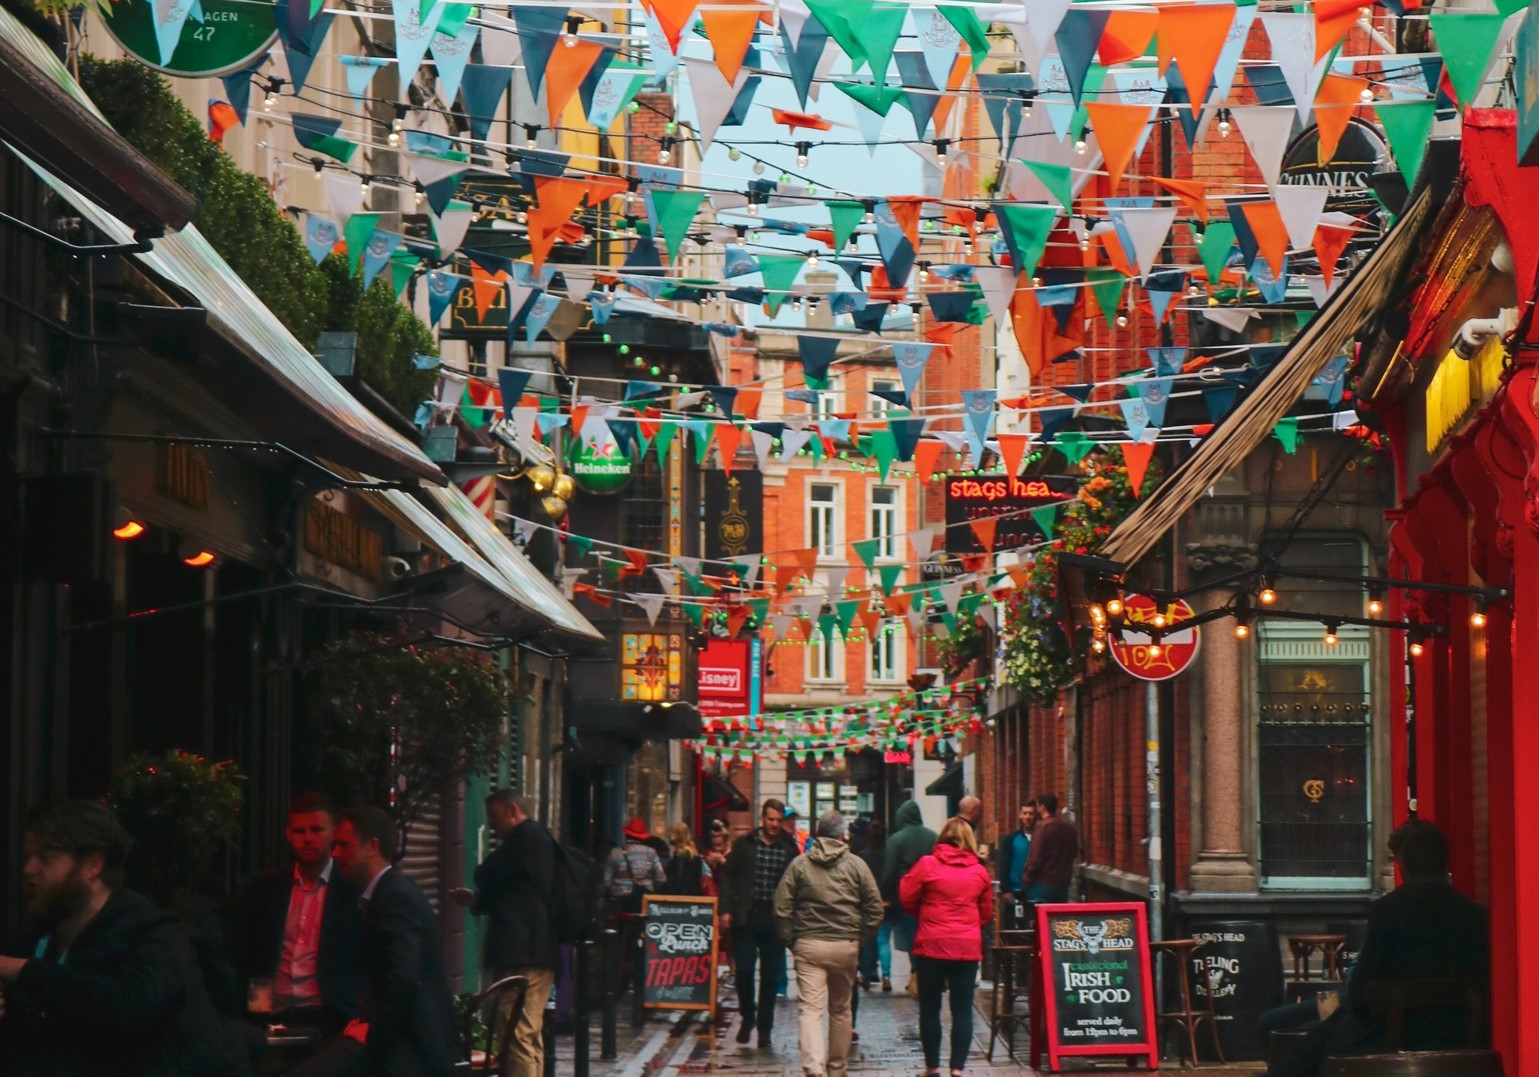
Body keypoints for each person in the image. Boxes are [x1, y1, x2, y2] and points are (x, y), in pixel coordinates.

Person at [0, 800, 251, 1077]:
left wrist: (22, 970)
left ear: (93, 865)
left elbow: (130, 1005)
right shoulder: (36, 938)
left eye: (45, 858)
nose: (29, 869)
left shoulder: (155, 932)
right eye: (28, 857)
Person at [1267, 819, 1489, 1077]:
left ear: (1403, 865)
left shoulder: (1390, 909)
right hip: (1459, 1035)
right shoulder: (1475, 914)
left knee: (1309, 1051)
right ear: (1445, 860)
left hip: (1390, 1036)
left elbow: (1360, 991)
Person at [293, 807, 458, 1077]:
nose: (335, 854)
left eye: (343, 845)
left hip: (409, 1050)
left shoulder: (393, 896)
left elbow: (404, 978)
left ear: (372, 847)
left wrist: (373, 1033)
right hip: (398, 1041)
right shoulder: (385, 893)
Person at [449, 790, 556, 1077]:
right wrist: (476, 900)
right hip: (537, 951)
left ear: (513, 810)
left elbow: (485, 873)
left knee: (515, 1031)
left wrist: (480, 891)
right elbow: (517, 893)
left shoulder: (524, 838)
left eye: (495, 815)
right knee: (528, 1033)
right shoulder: (538, 840)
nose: (492, 824)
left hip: (523, 954)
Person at [240, 792, 364, 1037]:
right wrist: (255, 1017)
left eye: (317, 830)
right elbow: (253, 958)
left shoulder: (353, 890)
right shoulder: (266, 889)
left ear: (333, 833)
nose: (308, 839)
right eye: (300, 831)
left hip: (331, 1019)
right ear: (289, 834)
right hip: (272, 1016)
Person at [773, 811, 884, 1077]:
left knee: (810, 1009)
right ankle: (837, 1067)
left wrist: (791, 941)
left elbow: (781, 907)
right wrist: (860, 939)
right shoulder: (857, 866)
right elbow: (875, 909)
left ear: (817, 834)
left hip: (809, 944)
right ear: (843, 835)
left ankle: (814, 1067)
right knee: (841, 1008)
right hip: (845, 945)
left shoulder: (800, 865)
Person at [900, 818, 994, 1077]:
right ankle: (957, 1069)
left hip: (931, 945)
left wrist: (923, 914)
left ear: (942, 837)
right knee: (962, 1009)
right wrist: (968, 926)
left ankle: (932, 1066)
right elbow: (986, 911)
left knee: (930, 1008)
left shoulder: (927, 864)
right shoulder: (979, 872)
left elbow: (907, 895)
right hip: (966, 948)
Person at [719, 798, 799, 1048]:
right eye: (771, 819)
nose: (774, 824)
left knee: (770, 976)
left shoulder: (789, 848)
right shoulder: (745, 844)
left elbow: (797, 883)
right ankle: (747, 1016)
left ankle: (765, 1029)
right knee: (743, 970)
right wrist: (725, 910)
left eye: (778, 820)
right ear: (762, 819)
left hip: (774, 919)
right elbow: (728, 877)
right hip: (746, 916)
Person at [880, 800, 937, 996]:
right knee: (926, 936)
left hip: (906, 896)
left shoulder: (896, 840)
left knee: (911, 938)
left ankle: (917, 977)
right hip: (930, 895)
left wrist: (883, 894)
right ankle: (923, 976)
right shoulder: (933, 837)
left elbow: (889, 871)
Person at [1021, 793, 1077, 905]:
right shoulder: (1068, 829)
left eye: (1038, 806)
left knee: (1038, 914)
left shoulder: (1042, 827)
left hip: (1042, 885)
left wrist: (1026, 880)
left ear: (1042, 807)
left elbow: (1034, 859)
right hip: (1062, 885)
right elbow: (1073, 853)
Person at [605, 817, 668, 914]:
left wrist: (613, 890)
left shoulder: (615, 852)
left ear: (627, 834)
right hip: (644, 898)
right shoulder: (651, 852)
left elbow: (606, 880)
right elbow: (661, 878)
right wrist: (652, 888)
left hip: (620, 899)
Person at [856, 820, 891, 991]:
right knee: (883, 941)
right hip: (886, 902)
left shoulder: (862, 857)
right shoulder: (889, 855)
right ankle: (886, 977)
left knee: (868, 941)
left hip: (868, 904)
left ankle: (866, 976)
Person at [996, 802, 1037, 930]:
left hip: (1035, 892)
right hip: (1015, 891)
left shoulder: (1040, 837)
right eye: (1025, 813)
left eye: (1031, 814)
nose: (1028, 817)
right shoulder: (1011, 839)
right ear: (1020, 815)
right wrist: (1005, 890)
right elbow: (1004, 864)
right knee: (1013, 928)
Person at [660, 823, 714, 896]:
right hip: (694, 894)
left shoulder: (680, 855)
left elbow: (679, 879)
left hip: (682, 897)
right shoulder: (694, 853)